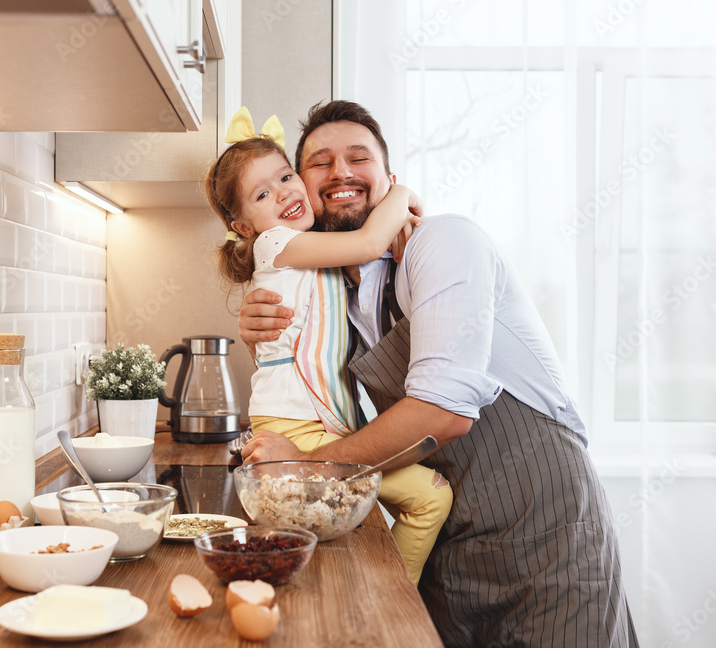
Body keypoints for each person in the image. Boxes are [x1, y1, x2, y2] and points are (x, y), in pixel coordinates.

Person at [238, 100, 638, 647]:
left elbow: (443, 412)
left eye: (359, 158)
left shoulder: (443, 244)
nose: (340, 173)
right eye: (319, 163)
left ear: (391, 182)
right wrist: (259, 328)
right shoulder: (339, 294)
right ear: (300, 190)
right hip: (455, 538)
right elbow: (303, 374)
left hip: (544, 534)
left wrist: (310, 466)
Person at [206, 106, 451, 585]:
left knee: (309, 539)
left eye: (284, 176)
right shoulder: (275, 243)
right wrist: (401, 193)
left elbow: (367, 249)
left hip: (318, 424)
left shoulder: (314, 247)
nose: (282, 193)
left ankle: (382, 598)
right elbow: (365, 243)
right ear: (244, 228)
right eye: (262, 193)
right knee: (429, 498)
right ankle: (391, 601)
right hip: (296, 427)